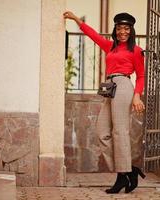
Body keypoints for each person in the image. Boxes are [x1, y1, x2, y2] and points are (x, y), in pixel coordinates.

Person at [63, 11, 145, 194]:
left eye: (126, 28)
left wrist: (137, 95)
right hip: (109, 88)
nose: (122, 31)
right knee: (102, 132)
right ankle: (129, 170)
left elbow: (140, 76)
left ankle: (121, 175)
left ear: (131, 31)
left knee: (120, 131)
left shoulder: (136, 51)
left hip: (124, 86)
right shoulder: (110, 47)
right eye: (119, 28)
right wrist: (76, 19)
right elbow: (93, 34)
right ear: (115, 30)